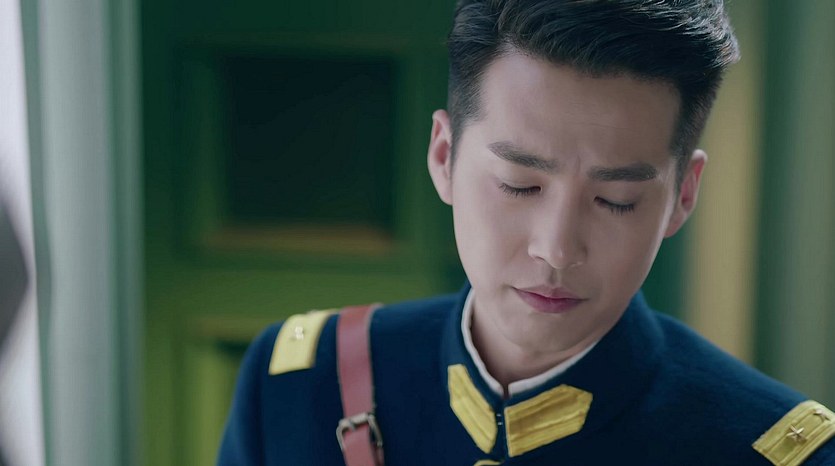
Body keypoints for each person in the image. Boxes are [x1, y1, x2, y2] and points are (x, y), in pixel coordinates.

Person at [218, 1, 835, 464]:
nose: (557, 250)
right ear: (443, 156)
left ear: (683, 197)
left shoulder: (772, 449)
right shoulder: (302, 386)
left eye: (615, 200)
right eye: (519, 185)